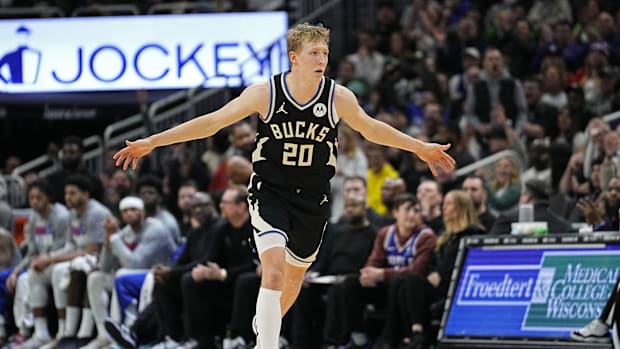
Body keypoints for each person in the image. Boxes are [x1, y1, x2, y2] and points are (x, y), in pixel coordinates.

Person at [113, 23, 455, 348]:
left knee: (291, 281)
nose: (322, 60)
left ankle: (265, 327)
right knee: (273, 272)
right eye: (314, 53)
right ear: (294, 57)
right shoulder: (265, 93)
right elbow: (212, 122)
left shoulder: (338, 97)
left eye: (324, 53)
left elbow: (372, 128)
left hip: (314, 201)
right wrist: (153, 142)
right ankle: (266, 344)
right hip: (270, 194)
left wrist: (420, 147)